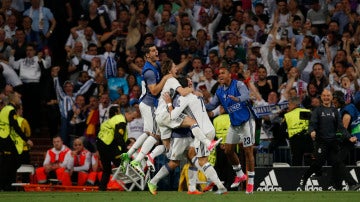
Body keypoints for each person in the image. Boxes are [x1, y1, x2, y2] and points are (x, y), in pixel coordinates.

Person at [120, 44, 172, 174]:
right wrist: (165, 78)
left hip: (147, 104)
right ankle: (137, 160)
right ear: (147, 55)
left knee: (148, 133)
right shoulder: (149, 71)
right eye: (153, 50)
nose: (156, 52)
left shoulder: (156, 66)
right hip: (149, 104)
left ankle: (129, 153)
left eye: (156, 50)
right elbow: (154, 91)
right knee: (155, 135)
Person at [206, 66, 255, 194]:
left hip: (246, 122)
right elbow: (211, 106)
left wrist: (238, 99)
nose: (220, 75)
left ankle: (250, 183)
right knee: (228, 150)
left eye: (223, 73)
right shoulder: (219, 91)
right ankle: (240, 174)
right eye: (219, 74)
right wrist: (198, 103)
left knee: (248, 151)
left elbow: (246, 95)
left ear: (229, 74)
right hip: (235, 124)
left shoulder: (238, 84)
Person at [299, 89, 353, 191]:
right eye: (324, 96)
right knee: (318, 163)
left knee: (337, 162)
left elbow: (341, 128)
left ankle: (351, 184)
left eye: (328, 96)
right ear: (321, 97)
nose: (326, 97)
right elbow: (311, 125)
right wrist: (312, 132)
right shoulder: (317, 111)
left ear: (331, 98)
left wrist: (349, 137)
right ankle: (304, 178)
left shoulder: (334, 112)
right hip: (321, 142)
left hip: (332, 143)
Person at [96, 105, 139, 191]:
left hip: (100, 143)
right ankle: (133, 187)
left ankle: (102, 188)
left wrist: (127, 142)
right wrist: (125, 150)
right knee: (124, 164)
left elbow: (116, 135)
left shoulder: (114, 119)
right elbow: (118, 137)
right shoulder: (121, 121)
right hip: (108, 144)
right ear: (128, 113)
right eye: (133, 117)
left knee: (107, 169)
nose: (133, 120)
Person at [0, 92, 33, 190]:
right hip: (5, 138)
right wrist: (26, 139)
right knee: (8, 164)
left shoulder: (5, 109)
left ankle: (7, 186)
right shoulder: (10, 110)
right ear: (12, 100)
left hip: (3, 138)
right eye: (17, 97)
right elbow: (16, 127)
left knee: (9, 162)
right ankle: (5, 186)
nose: (19, 98)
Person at [284, 96, 314, 166]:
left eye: (289, 104)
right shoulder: (307, 112)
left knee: (296, 161)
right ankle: (311, 175)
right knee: (309, 160)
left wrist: (288, 136)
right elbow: (314, 125)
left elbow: (282, 130)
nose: (288, 106)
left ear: (294, 104)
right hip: (308, 139)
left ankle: (296, 176)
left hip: (295, 141)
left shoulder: (288, 115)